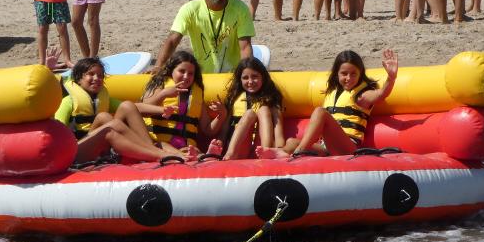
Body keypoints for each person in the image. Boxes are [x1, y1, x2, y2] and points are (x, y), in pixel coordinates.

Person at [258, 49, 397, 158]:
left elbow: (381, 94)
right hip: (327, 147)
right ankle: (282, 154)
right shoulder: (333, 92)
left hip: (348, 148)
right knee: (290, 142)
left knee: (320, 112)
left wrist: (391, 77)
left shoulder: (362, 95)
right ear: (337, 74)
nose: (349, 78)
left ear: (360, 74)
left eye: (354, 74)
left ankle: (298, 153)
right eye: (344, 73)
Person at [55, 58, 190, 163]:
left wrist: (161, 109)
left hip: (102, 145)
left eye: (100, 75)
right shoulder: (68, 101)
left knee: (126, 106)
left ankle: (172, 153)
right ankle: (157, 154)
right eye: (91, 74)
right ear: (78, 79)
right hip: (78, 150)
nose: (97, 78)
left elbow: (134, 107)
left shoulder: (103, 98)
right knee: (104, 118)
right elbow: (57, 130)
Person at [151, 0, 255, 74]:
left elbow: (245, 48)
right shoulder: (190, 9)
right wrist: (158, 66)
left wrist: (246, 72)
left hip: (232, 75)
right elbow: (172, 41)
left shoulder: (241, 9)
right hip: (201, 77)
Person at [141, 50, 226, 155]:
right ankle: (194, 157)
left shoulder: (196, 95)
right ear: (171, 70)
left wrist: (221, 115)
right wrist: (163, 94)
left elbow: (208, 130)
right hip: (160, 145)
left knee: (195, 151)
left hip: (187, 147)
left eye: (190, 74)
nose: (186, 76)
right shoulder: (160, 85)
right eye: (181, 71)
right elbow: (143, 110)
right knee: (163, 146)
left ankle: (203, 156)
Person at [209, 57, 285, 160]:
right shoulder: (234, 100)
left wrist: (280, 149)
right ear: (240, 80)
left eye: (255, 76)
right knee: (249, 113)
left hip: (261, 148)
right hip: (240, 150)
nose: (250, 81)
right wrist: (219, 144)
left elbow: (279, 134)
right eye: (245, 78)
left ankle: (266, 151)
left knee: (263, 110)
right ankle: (231, 153)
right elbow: (224, 131)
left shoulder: (271, 102)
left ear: (263, 77)